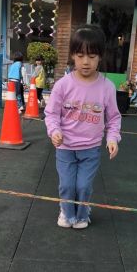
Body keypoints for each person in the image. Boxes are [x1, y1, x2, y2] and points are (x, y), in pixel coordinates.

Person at [45, 24, 121, 229]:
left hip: (90, 148)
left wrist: (112, 138)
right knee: (67, 185)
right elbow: (51, 113)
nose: (86, 61)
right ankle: (67, 212)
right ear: (72, 55)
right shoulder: (63, 85)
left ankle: (82, 214)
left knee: (84, 186)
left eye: (92, 56)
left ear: (100, 56)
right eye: (80, 56)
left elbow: (114, 118)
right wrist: (54, 131)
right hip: (65, 147)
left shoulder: (107, 87)